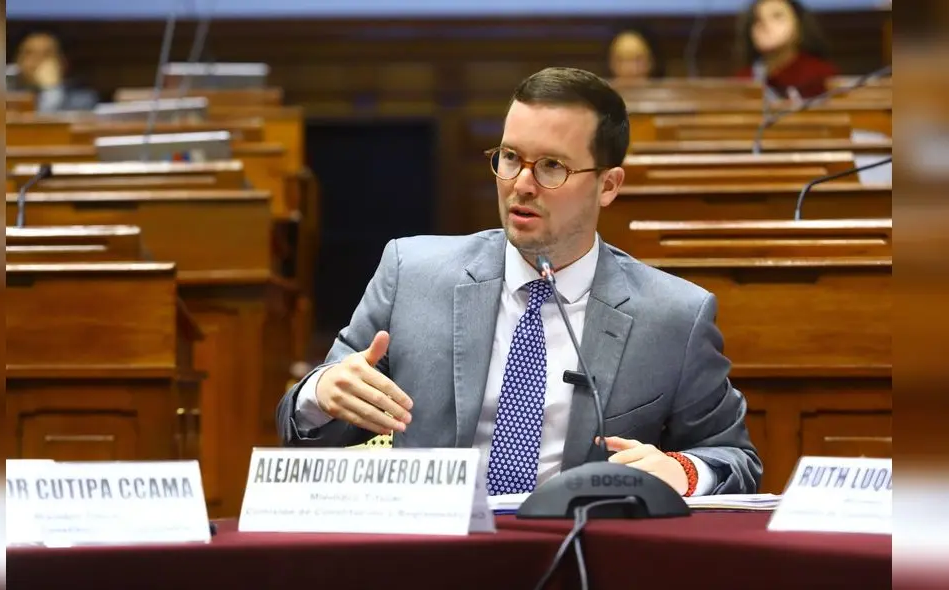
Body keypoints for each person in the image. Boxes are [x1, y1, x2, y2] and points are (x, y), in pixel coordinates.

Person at [277, 67, 762, 497]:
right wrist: (317, 396)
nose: (522, 184)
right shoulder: (412, 273)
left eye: (552, 166)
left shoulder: (673, 315)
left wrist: (681, 470)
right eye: (510, 158)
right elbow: (304, 424)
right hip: (431, 556)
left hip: (581, 558)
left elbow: (734, 459)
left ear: (609, 185)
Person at [735, 0, 838, 100]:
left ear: (799, 26)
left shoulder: (821, 75)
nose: (764, 24)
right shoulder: (744, 79)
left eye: (777, 16)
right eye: (757, 19)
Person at [11, 29, 97, 112]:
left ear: (62, 63)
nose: (37, 60)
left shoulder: (82, 100)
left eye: (47, 54)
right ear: (18, 60)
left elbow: (44, 125)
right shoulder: (6, 96)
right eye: (29, 53)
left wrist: (51, 88)